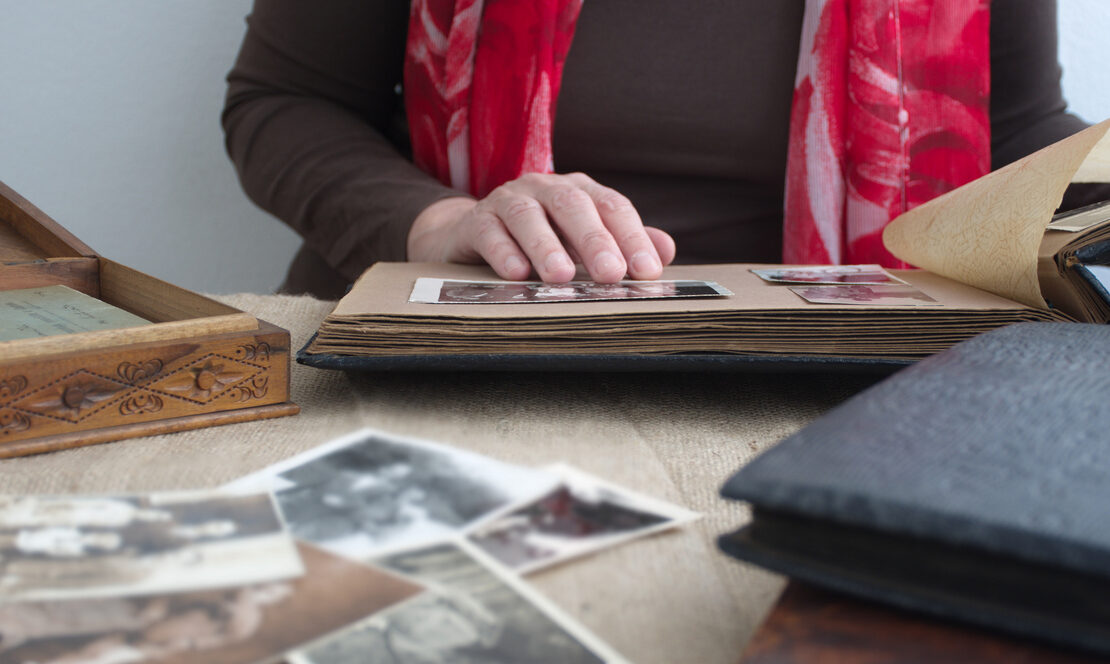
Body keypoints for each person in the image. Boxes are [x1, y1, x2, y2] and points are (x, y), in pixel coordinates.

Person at [223, 0, 1098, 300]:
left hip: (848, 372)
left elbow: (1014, 132)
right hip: (462, 345)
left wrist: (1095, 193)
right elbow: (286, 103)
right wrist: (441, 221)